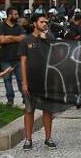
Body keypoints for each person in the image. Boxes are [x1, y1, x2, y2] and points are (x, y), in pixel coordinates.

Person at [19, 13, 57, 150]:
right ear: (34, 24)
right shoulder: (26, 40)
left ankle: (48, 138)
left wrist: (46, 38)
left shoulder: (50, 38)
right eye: (41, 22)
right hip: (31, 81)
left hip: (47, 80)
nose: (45, 24)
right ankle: (28, 139)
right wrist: (24, 82)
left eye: (46, 22)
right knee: (29, 110)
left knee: (48, 110)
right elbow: (23, 62)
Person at [0, 8, 27, 106]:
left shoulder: (19, 27)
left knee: (20, 79)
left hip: (18, 57)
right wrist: (15, 38)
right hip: (5, 58)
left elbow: (23, 38)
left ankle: (25, 97)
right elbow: (2, 40)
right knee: (7, 79)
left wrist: (9, 37)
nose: (17, 16)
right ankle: (10, 99)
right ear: (9, 15)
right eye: (15, 14)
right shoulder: (1, 26)